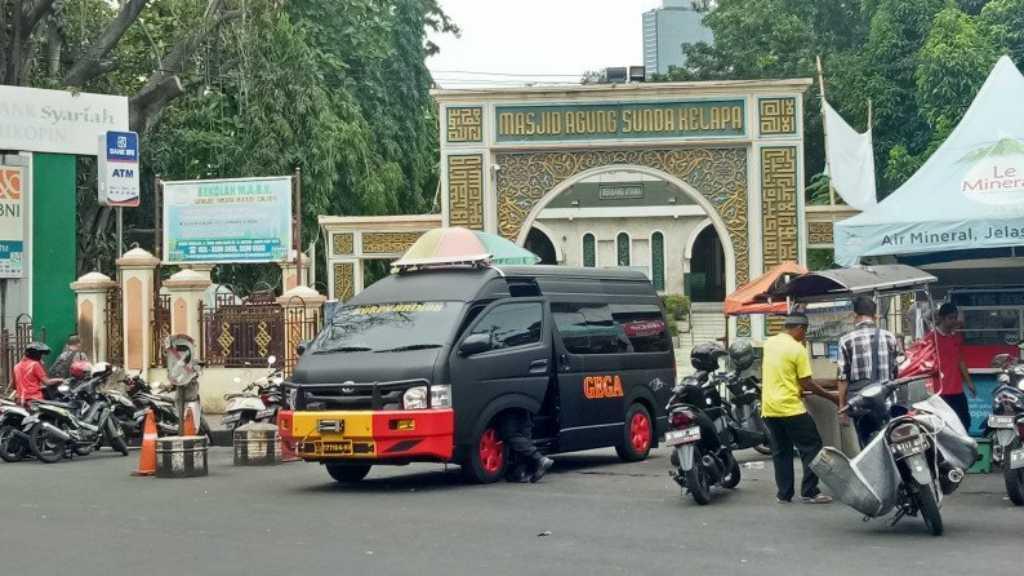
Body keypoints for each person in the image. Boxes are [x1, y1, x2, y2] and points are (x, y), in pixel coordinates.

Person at [762, 313, 838, 504]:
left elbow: (787, 376)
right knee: (812, 446)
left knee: (781, 451)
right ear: (799, 329)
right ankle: (810, 491)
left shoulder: (769, 344)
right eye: (804, 332)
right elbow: (806, 383)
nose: (804, 336)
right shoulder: (797, 349)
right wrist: (832, 397)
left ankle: (784, 494)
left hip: (769, 408)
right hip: (790, 408)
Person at [838, 295, 899, 447]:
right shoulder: (890, 337)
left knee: (866, 447)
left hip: (860, 406)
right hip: (886, 403)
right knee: (891, 445)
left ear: (854, 315)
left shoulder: (846, 340)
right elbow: (896, 372)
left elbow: (842, 378)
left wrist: (842, 409)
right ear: (875, 316)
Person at [930, 303, 975, 432]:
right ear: (941, 318)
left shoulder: (956, 337)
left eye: (955, 318)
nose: (954, 321)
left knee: (965, 422)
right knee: (944, 427)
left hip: (957, 390)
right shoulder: (931, 338)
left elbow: (960, 360)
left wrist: (969, 382)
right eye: (951, 318)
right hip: (940, 391)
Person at [499, 410, 554, 483]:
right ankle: (521, 473)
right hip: (527, 405)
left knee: (509, 434)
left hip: (511, 405)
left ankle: (540, 459)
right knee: (524, 436)